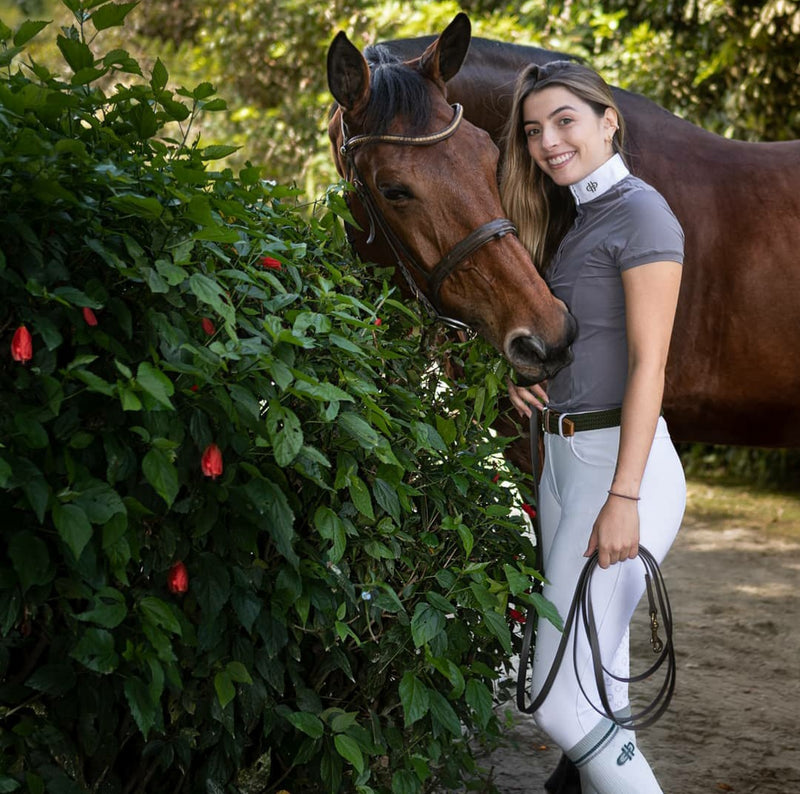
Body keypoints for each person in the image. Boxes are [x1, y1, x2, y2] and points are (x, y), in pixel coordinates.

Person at [500, 60, 686, 794]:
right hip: (568, 462)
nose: (547, 142)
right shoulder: (582, 222)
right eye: (533, 130)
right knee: (599, 691)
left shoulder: (642, 213)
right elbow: (588, 347)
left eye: (565, 121)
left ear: (609, 120)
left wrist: (626, 498)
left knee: (558, 703)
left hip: (620, 470)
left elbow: (650, 367)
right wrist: (533, 383)